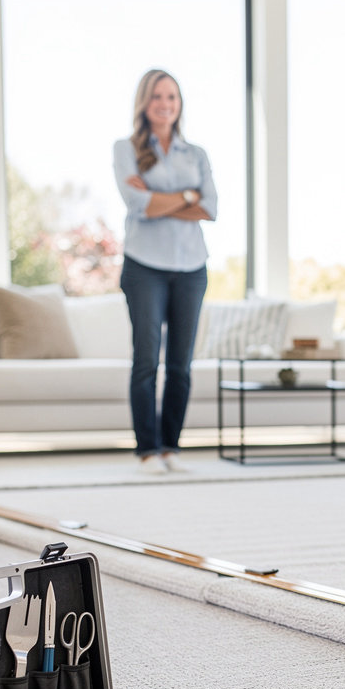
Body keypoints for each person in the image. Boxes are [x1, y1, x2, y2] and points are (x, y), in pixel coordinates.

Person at [114, 68, 217, 473]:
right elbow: (137, 204)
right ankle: (148, 449)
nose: (165, 104)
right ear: (145, 102)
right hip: (145, 267)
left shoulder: (197, 155)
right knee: (146, 361)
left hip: (192, 267)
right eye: (157, 96)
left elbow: (210, 208)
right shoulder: (126, 149)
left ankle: (171, 446)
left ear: (179, 104)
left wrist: (161, 198)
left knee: (181, 365)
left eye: (171, 96)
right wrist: (187, 196)